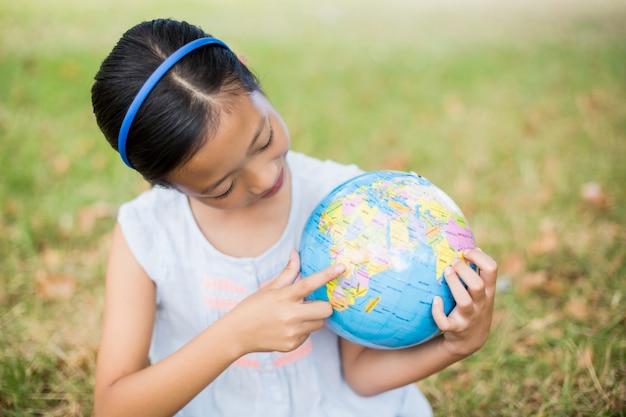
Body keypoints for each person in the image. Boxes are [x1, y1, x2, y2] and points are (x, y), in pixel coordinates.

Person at [90, 18, 498, 417]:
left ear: (247, 71)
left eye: (264, 138)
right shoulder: (147, 235)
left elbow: (358, 375)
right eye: (222, 187)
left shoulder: (349, 206)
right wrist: (234, 336)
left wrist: (454, 346)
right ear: (165, 184)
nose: (267, 177)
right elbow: (114, 406)